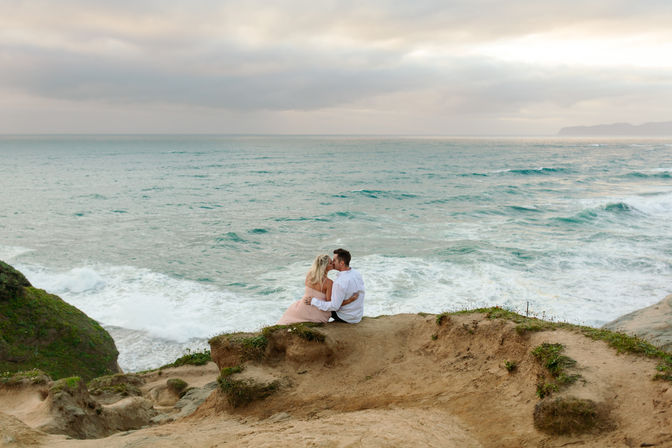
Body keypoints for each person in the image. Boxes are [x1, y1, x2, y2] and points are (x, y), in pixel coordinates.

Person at [277, 254, 358, 325]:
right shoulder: (329, 283)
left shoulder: (309, 274)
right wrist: (350, 300)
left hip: (302, 309)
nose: (333, 263)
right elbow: (331, 304)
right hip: (318, 313)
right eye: (330, 263)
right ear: (325, 266)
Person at [304, 248, 365, 324]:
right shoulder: (356, 273)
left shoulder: (339, 282)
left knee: (321, 306)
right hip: (357, 315)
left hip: (345, 317)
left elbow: (334, 307)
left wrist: (314, 301)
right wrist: (350, 300)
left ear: (342, 263)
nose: (332, 263)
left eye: (334, 260)